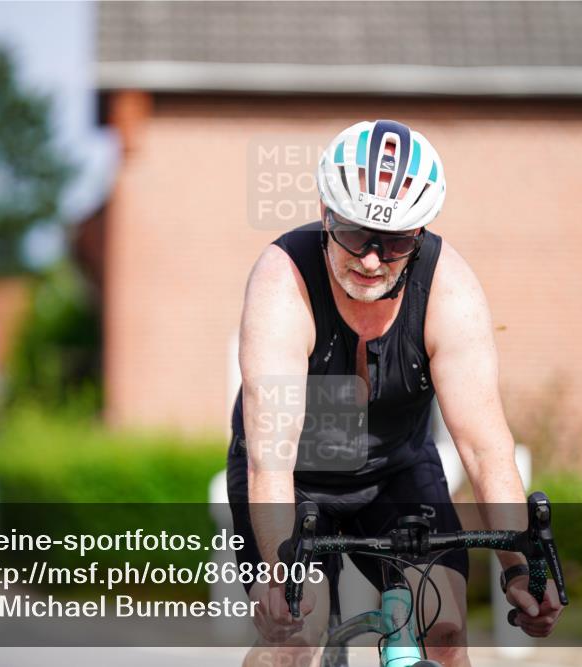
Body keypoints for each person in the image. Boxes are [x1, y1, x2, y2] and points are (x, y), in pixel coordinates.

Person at [227, 120, 562, 667]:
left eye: (397, 241)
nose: (371, 260)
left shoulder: (449, 289)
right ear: (325, 212)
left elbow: (485, 447)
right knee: (295, 637)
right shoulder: (282, 282)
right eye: (355, 234)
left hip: (396, 472)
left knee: (445, 631)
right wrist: (279, 576)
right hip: (293, 479)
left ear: (422, 234)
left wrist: (521, 567)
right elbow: (272, 459)